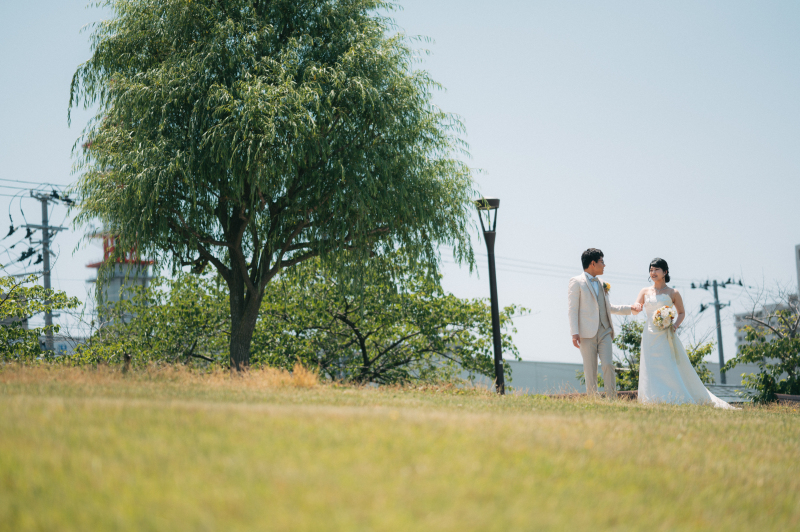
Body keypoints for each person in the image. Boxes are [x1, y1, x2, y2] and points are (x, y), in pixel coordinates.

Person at [635, 258, 735, 408]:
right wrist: (636, 306)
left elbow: (681, 313)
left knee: (667, 365)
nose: (653, 273)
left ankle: (672, 396)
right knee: (649, 366)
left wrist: (674, 325)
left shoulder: (673, 292)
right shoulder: (644, 291)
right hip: (649, 335)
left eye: (656, 270)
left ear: (665, 272)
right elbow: (637, 308)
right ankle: (651, 398)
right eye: (651, 270)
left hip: (665, 335)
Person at [568, 248, 643, 398]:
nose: (604, 265)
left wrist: (631, 309)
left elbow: (608, 307)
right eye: (602, 261)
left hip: (605, 330)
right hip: (586, 333)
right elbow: (572, 309)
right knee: (591, 369)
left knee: (608, 364)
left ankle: (611, 398)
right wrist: (574, 333)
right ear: (593, 263)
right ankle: (593, 399)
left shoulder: (602, 284)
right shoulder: (576, 282)